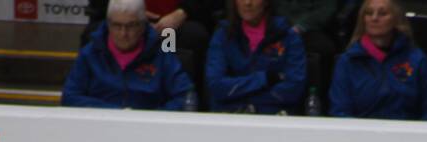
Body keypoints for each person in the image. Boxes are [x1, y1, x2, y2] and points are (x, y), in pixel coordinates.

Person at [63, 0, 195, 110]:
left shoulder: (162, 54)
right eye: (117, 25)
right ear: (108, 24)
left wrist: (151, 118)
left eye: (131, 26)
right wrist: (114, 113)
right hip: (101, 128)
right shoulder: (90, 53)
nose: (123, 34)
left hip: (149, 131)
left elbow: (186, 97)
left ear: (143, 25)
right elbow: (70, 96)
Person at [328, 0, 427, 120]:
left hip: (407, 133)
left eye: (382, 13)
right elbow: (340, 111)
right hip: (362, 135)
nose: (374, 18)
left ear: (396, 19)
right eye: (368, 13)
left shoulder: (416, 59)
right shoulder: (347, 62)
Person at [204, 0, 306, 114]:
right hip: (231, 116)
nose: (247, 3)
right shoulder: (222, 35)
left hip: (273, 117)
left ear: (266, 2)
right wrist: (264, 79)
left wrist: (241, 95)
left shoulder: (288, 36)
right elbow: (216, 86)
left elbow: (293, 89)